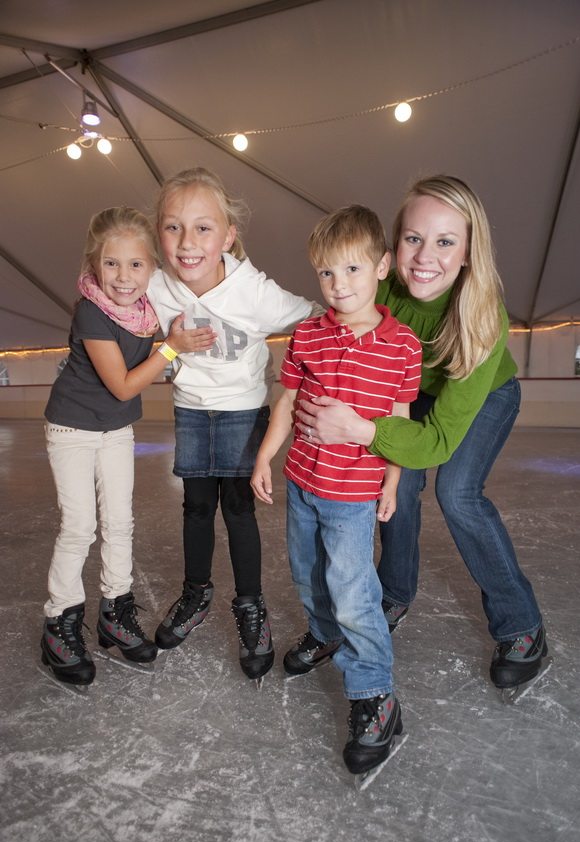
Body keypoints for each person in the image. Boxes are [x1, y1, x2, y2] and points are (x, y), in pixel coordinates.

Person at [296, 175, 548, 695]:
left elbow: (436, 442)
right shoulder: (382, 286)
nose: (425, 256)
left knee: (456, 493)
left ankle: (521, 624)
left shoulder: (483, 316)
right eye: (413, 238)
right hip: (411, 394)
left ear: (470, 251)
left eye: (445, 241)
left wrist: (363, 428)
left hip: (479, 397)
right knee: (399, 486)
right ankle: (394, 592)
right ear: (391, 249)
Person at [251, 205, 422, 775]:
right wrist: (266, 456)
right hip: (303, 481)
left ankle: (375, 695)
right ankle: (322, 635)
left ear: (381, 267)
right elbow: (287, 401)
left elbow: (398, 421)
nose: (338, 285)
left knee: (353, 591)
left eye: (351, 269)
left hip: (353, 494)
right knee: (306, 573)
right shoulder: (307, 335)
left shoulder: (403, 346)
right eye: (326, 273)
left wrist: (393, 482)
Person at [147, 166, 323, 685]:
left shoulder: (254, 291)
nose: (187, 242)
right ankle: (196, 594)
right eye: (173, 226)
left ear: (228, 236)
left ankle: (251, 606)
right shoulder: (157, 287)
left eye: (203, 228)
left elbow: (314, 315)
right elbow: (113, 290)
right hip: (190, 410)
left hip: (244, 412)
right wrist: (167, 350)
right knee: (197, 507)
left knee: (238, 510)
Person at [42, 206, 203, 688]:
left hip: (115, 432)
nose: (123, 276)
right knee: (79, 528)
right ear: (94, 264)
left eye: (136, 264)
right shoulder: (91, 310)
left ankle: (115, 613)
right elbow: (125, 386)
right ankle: (59, 624)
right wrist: (172, 348)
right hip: (72, 429)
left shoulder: (148, 306)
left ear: (151, 267)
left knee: (119, 523)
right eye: (111, 263)